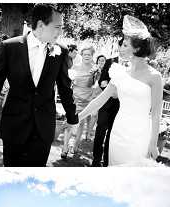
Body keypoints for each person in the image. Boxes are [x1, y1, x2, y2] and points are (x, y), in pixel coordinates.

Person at [0, 3, 78, 166]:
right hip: (14, 127)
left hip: (43, 129)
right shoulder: (10, 47)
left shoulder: (61, 51)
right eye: (57, 27)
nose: (60, 32)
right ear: (41, 25)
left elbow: (65, 87)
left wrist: (72, 118)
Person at [78, 15, 162, 166]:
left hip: (140, 133)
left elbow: (156, 113)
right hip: (119, 130)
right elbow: (100, 100)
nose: (120, 48)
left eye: (124, 45)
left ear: (137, 48)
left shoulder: (155, 77)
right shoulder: (119, 72)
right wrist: (76, 118)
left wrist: (153, 143)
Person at [61, 45, 98, 158]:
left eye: (89, 54)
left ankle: (75, 145)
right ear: (82, 55)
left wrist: (93, 75)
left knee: (81, 123)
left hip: (87, 98)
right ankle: (65, 147)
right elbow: (69, 82)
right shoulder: (75, 67)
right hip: (75, 97)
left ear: (92, 56)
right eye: (85, 54)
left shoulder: (95, 68)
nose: (87, 56)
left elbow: (91, 85)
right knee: (70, 122)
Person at [91, 48, 120, 167]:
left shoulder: (133, 64)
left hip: (121, 105)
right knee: (100, 131)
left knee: (113, 134)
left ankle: (107, 160)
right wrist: (106, 86)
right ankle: (96, 159)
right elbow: (102, 80)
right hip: (106, 103)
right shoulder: (110, 61)